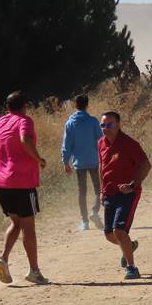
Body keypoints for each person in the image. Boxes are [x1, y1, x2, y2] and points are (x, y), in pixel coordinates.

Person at [0, 91, 48, 285]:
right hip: (22, 182)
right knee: (28, 227)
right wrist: (39, 159)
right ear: (24, 106)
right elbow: (25, 141)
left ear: (7, 107)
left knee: (15, 223)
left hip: (1, 182)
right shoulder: (25, 120)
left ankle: (3, 259)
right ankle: (34, 271)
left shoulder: (0, 122)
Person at [98, 111, 151, 279]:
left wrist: (132, 185)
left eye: (109, 124)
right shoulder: (100, 143)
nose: (106, 128)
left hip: (128, 193)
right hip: (109, 193)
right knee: (109, 234)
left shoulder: (129, 144)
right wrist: (101, 190)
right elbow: (102, 167)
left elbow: (146, 165)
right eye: (103, 125)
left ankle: (131, 267)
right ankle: (129, 245)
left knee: (119, 230)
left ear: (118, 124)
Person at [61, 94, 103, 231]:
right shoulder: (93, 121)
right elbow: (101, 141)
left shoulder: (70, 123)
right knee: (99, 189)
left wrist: (65, 162)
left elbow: (67, 144)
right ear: (87, 105)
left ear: (75, 105)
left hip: (79, 162)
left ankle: (84, 222)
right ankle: (95, 211)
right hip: (93, 160)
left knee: (82, 191)